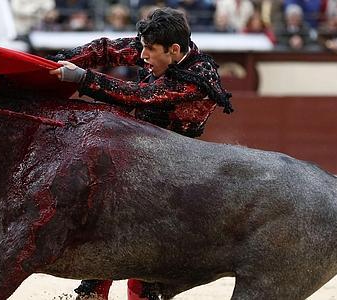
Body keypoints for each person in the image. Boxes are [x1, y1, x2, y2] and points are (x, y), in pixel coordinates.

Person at [48, 7, 232, 300]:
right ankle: (93, 292)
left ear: (174, 50)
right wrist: (59, 60)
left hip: (174, 165)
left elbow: (138, 95)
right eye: (143, 48)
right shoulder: (157, 45)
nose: (142, 56)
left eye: (149, 51)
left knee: (143, 243)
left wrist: (82, 78)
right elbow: (106, 50)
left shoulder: (199, 76)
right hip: (135, 149)